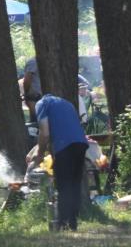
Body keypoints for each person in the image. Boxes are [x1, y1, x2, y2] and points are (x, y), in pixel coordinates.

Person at [33, 94, 89, 231]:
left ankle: (62, 222)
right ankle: (73, 221)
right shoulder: (66, 102)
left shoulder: (41, 104)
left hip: (65, 145)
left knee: (63, 184)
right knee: (74, 183)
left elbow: (45, 133)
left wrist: (39, 156)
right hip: (81, 143)